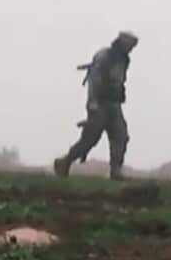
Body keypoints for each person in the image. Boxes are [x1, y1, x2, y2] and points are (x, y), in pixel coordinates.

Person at [54, 32, 139, 181]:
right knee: (90, 139)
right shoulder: (105, 56)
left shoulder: (124, 60)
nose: (131, 48)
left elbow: (119, 80)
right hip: (99, 103)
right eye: (130, 45)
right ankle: (65, 162)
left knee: (121, 136)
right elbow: (94, 78)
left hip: (114, 104)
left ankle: (116, 171)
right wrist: (92, 102)